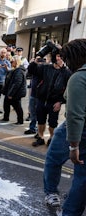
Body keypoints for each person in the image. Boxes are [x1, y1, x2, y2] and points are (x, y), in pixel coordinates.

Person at [60, 38, 86, 215]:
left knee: (81, 178)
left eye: (67, 59)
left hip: (84, 135)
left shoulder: (78, 77)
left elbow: (75, 115)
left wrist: (73, 146)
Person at [29, 48, 71, 147]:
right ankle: (41, 137)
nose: (59, 58)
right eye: (57, 56)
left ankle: (52, 138)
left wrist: (60, 102)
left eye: (61, 57)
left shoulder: (67, 73)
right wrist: (35, 62)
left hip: (54, 102)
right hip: (41, 100)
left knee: (52, 123)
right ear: (54, 57)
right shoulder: (46, 68)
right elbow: (31, 70)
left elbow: (68, 90)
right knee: (40, 120)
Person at [0, 55, 26, 124]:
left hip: (15, 93)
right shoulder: (14, 70)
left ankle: (20, 120)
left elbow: (17, 83)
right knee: (6, 104)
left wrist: (11, 94)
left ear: (16, 62)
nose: (11, 62)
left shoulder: (19, 71)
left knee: (17, 107)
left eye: (12, 61)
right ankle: (6, 117)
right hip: (11, 91)